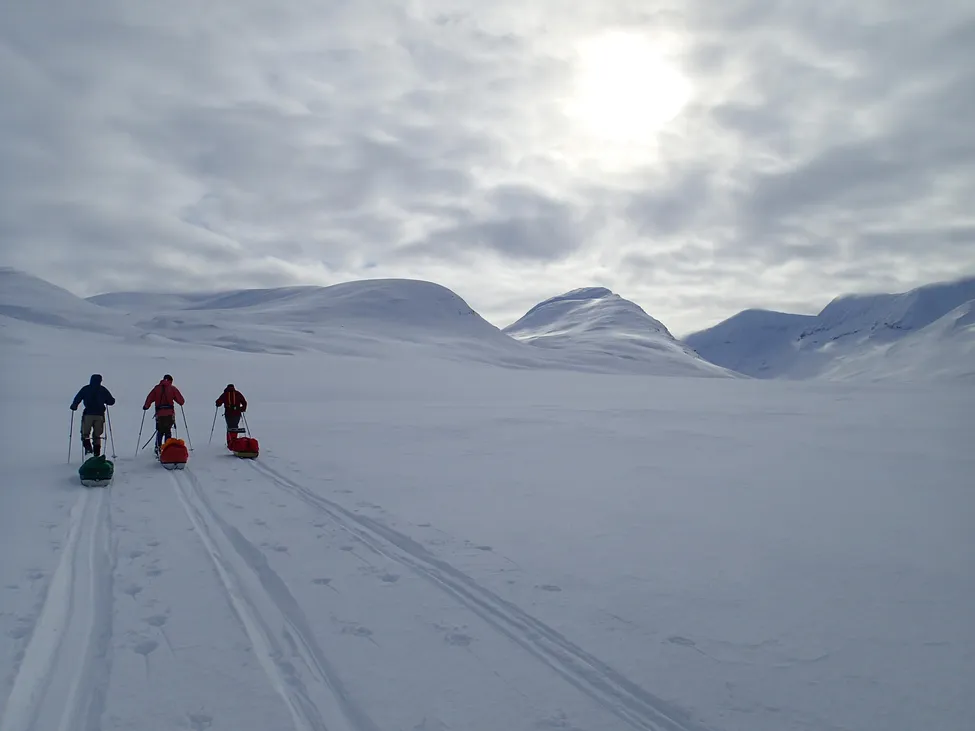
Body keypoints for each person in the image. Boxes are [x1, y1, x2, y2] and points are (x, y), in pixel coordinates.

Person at [70, 374, 116, 457]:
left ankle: (88, 451)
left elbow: (78, 398)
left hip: (88, 415)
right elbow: (111, 401)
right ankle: (96, 454)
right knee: (97, 435)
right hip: (99, 416)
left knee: (85, 434)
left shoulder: (86, 389)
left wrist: (74, 406)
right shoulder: (103, 390)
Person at [143, 374, 185, 454]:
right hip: (169, 415)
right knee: (168, 431)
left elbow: (149, 398)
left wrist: (146, 406)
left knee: (160, 431)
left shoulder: (156, 389)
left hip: (159, 414)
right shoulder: (172, 389)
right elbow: (181, 401)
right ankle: (167, 449)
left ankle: (158, 448)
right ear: (170, 381)